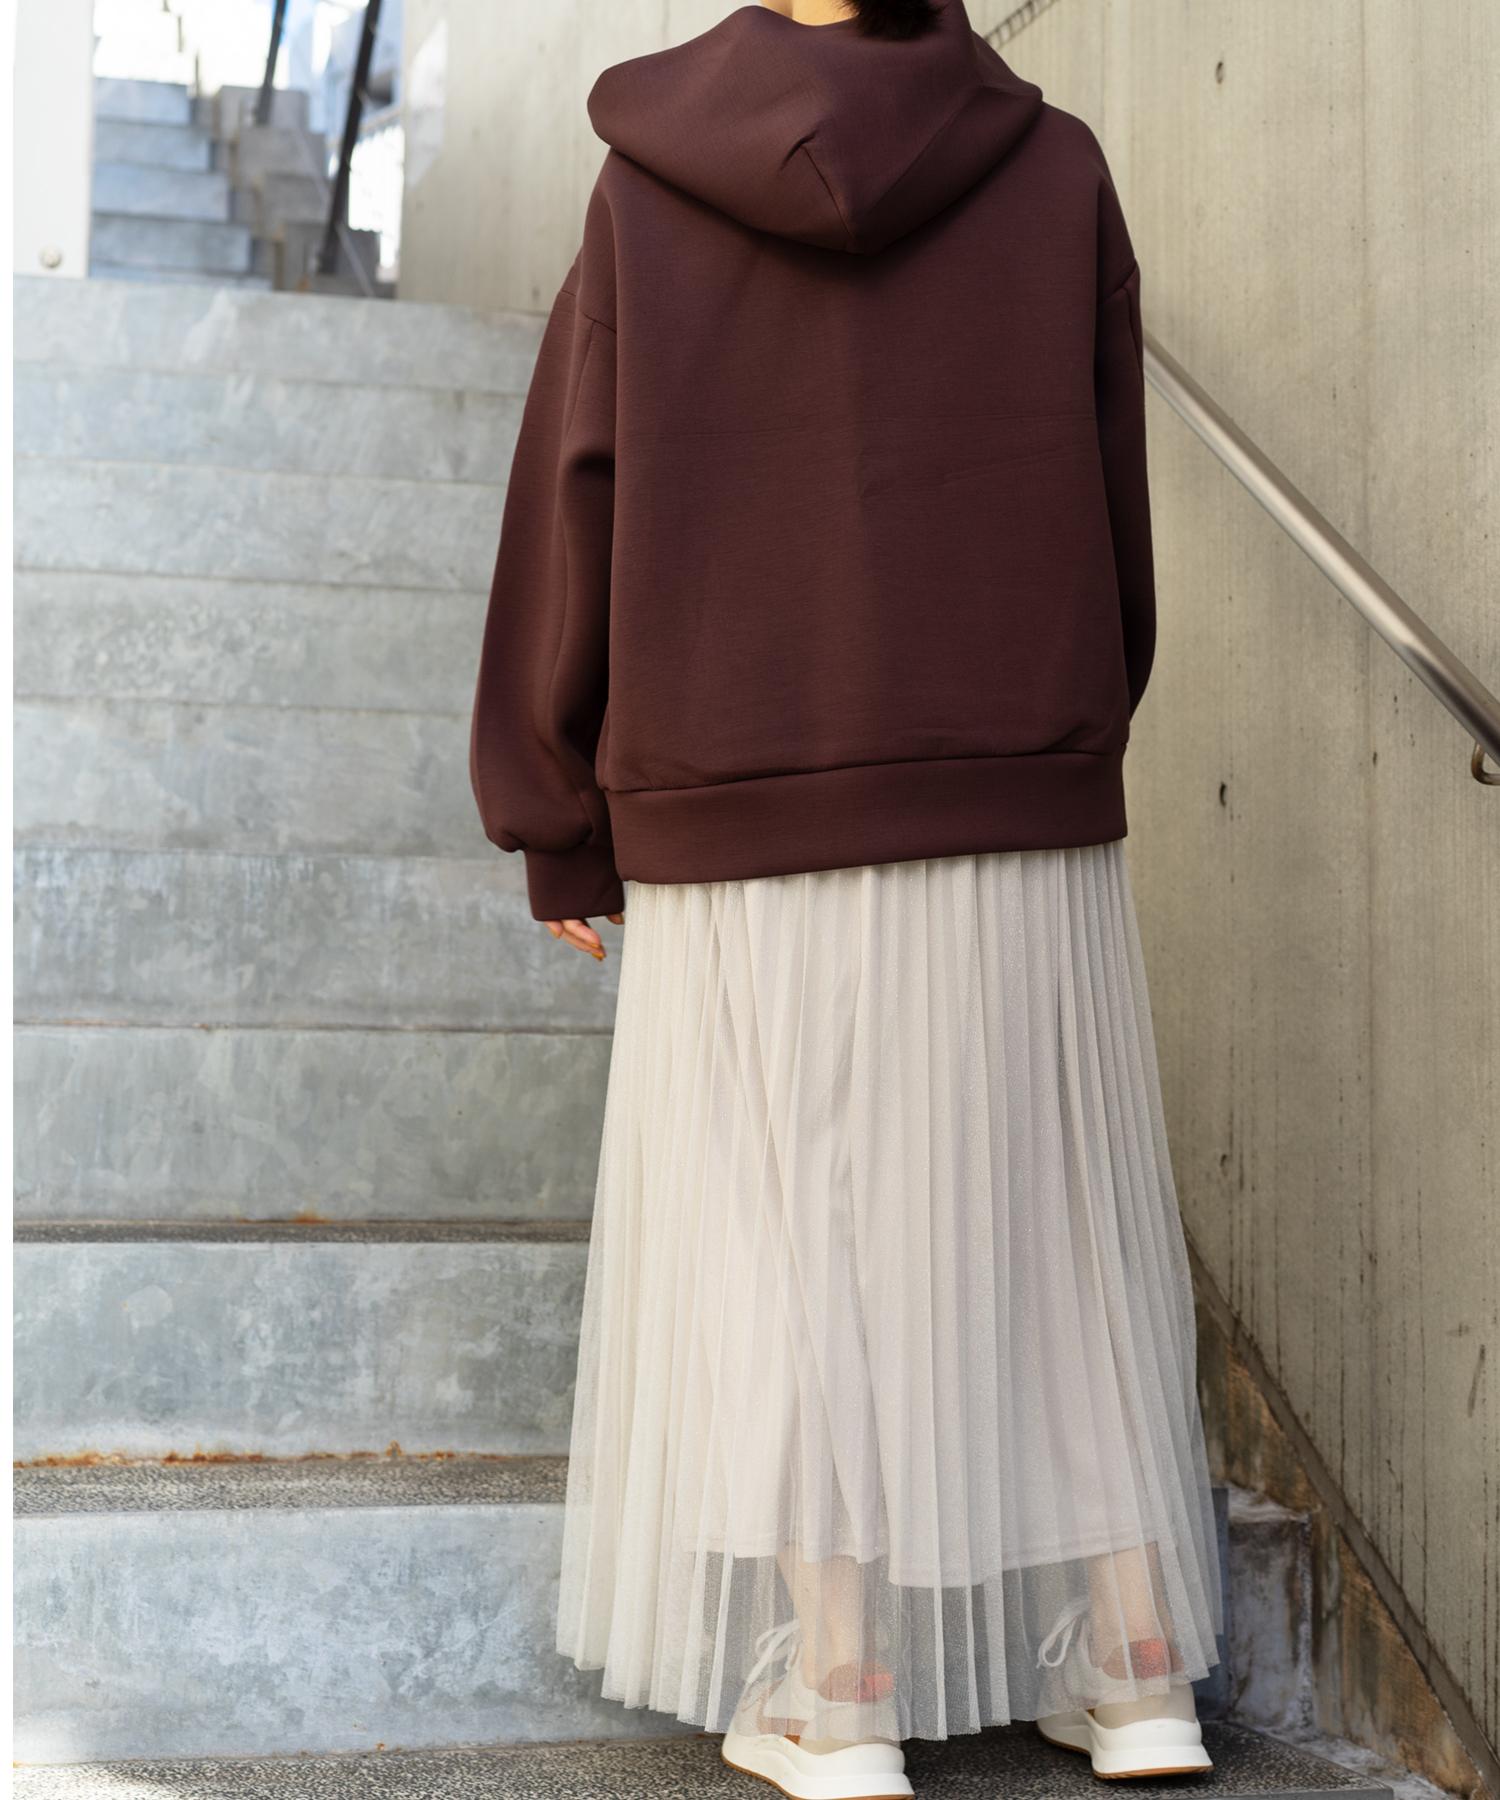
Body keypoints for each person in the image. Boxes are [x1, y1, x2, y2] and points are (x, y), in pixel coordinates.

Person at [469, 0, 1224, 1793]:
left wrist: (554, 805)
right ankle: (1138, 1667)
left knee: (784, 1226)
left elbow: (579, 491)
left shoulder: (650, 186)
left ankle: (842, 1686)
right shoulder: (1056, 167)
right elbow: (1112, 502)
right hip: (1012, 765)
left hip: (745, 778)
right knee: (1050, 1210)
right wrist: (1052, 736)